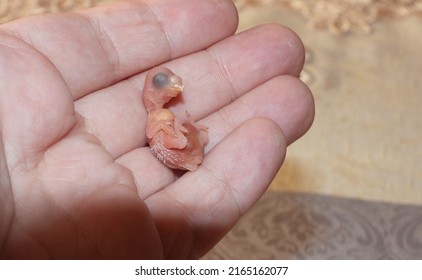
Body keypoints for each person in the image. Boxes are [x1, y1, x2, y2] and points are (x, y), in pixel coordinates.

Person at [0, 0, 314, 259]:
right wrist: (186, 134)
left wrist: (191, 135)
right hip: (182, 149)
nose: (173, 88)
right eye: (163, 84)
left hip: (186, 150)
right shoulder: (157, 121)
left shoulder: (159, 117)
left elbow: (177, 137)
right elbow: (170, 140)